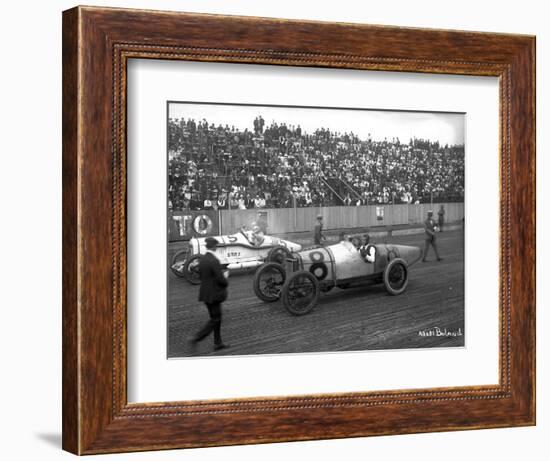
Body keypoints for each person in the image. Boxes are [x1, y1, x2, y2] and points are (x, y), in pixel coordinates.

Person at [191, 237, 229, 351]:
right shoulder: (214, 260)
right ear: (214, 247)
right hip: (214, 295)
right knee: (215, 319)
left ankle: (218, 343)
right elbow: (221, 280)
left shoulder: (202, 259)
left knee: (216, 318)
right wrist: (225, 278)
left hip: (205, 294)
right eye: (216, 246)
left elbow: (201, 276)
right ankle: (196, 338)